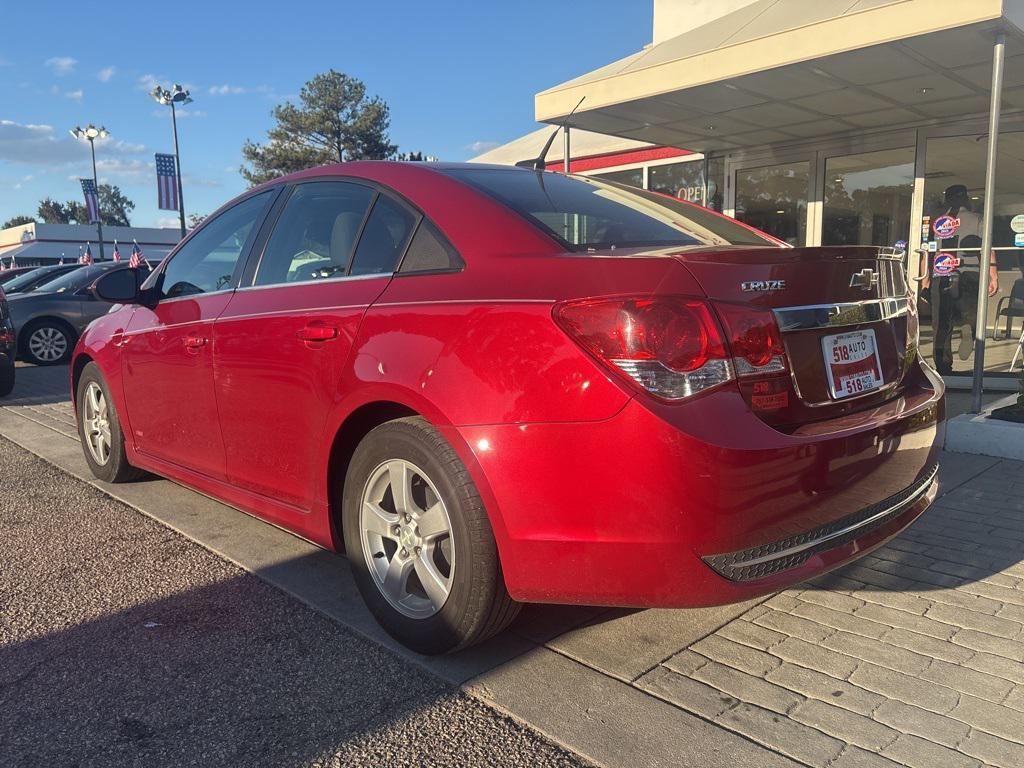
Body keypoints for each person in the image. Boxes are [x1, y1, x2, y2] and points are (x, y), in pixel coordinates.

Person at [919, 184, 999, 374]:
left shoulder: (936, 222)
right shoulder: (978, 219)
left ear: (947, 199)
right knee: (970, 311)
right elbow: (988, 250)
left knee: (942, 321)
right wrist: (993, 276)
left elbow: (926, 253)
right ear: (966, 199)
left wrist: (925, 280)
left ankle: (943, 366)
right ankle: (968, 328)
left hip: (942, 273)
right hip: (970, 273)